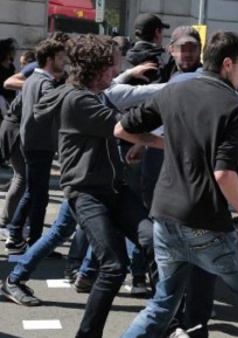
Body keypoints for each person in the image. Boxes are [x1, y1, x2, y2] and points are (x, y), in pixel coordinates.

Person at [115, 30, 238, 338]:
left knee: (162, 305)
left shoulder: (174, 91)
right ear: (228, 64)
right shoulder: (235, 105)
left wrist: (160, 143)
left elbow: (121, 129)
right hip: (205, 220)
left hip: (164, 216)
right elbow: (224, 174)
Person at [33, 34, 155, 338]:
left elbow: (123, 124)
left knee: (156, 242)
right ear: (98, 69)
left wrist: (142, 143)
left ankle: (169, 316)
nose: (116, 71)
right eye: (113, 66)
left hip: (115, 188)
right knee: (114, 266)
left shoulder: (94, 91)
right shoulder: (78, 99)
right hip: (87, 193)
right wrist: (169, 129)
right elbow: (122, 126)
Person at [4, 39, 67, 253]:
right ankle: (33, 242)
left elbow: (17, 106)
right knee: (38, 195)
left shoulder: (32, 79)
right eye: (60, 57)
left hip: (32, 142)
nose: (64, 61)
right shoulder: (47, 83)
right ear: (49, 60)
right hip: (40, 144)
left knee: (34, 192)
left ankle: (17, 234)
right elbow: (57, 106)